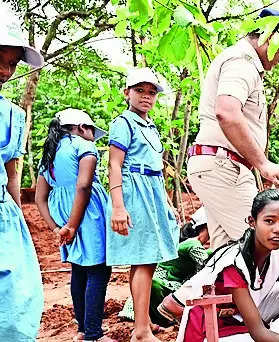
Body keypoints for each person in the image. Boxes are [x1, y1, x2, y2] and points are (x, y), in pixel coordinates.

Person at [186, 8, 279, 271]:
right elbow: (226, 112)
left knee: (228, 259)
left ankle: (188, 302)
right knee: (268, 252)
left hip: (220, 166)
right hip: (224, 167)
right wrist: (263, 163)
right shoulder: (242, 63)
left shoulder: (242, 62)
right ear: (269, 35)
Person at [159, 189, 279, 341]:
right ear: (252, 221)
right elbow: (258, 332)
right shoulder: (234, 263)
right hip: (211, 326)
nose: (278, 229)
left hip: (242, 317)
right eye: (269, 221)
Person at [107, 67, 179, 342]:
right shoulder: (122, 123)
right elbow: (115, 164)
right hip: (134, 191)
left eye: (151, 92)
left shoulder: (149, 127)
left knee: (145, 261)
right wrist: (118, 206)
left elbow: (157, 168)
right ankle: (140, 331)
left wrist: (166, 203)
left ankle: (143, 321)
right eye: (140, 91)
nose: (146, 97)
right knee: (145, 260)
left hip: (152, 190)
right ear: (127, 93)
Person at [34, 109, 113, 342]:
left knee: (79, 269)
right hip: (87, 214)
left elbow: (40, 198)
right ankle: (93, 334)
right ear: (81, 128)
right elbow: (84, 186)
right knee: (98, 270)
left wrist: (58, 228)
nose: (92, 136)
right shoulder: (84, 147)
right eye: (91, 130)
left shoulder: (50, 152)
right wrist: (73, 225)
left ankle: (82, 329)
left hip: (64, 215)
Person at [0, 16, 44, 341]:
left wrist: (18, 221)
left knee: (16, 305)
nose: (5, 71)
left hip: (3, 216)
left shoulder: (13, 115)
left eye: (12, 64)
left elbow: (12, 174)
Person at [119, 210, 212, 328]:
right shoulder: (192, 245)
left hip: (170, 286)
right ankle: (162, 320)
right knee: (155, 286)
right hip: (165, 285)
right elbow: (206, 264)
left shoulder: (190, 244)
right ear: (206, 228)